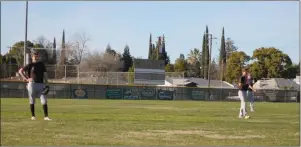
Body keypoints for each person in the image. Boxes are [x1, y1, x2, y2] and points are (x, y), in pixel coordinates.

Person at [18, 50, 51, 121]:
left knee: (44, 100)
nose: (36, 57)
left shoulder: (41, 64)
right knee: (32, 100)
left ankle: (46, 117)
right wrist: (26, 79)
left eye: (37, 55)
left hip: (41, 84)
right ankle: (33, 116)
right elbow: (20, 71)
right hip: (32, 84)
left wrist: (47, 84)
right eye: (34, 55)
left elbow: (45, 75)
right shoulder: (30, 65)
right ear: (32, 56)